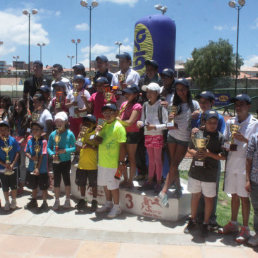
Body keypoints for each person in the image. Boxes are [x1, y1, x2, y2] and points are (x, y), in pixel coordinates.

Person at [219, 94, 258, 244]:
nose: (238, 107)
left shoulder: (254, 123)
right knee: (234, 195)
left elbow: (256, 147)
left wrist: (245, 140)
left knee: (244, 197)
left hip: (245, 166)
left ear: (248, 106)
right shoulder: (232, 122)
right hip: (232, 163)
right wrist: (228, 145)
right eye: (236, 104)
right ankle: (233, 223)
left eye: (241, 104)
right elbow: (226, 140)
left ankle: (245, 228)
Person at [184, 110, 226, 237]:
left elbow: (223, 156)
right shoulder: (198, 134)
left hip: (210, 173)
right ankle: (193, 220)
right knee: (195, 196)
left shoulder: (220, 137)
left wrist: (209, 154)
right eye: (209, 122)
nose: (212, 125)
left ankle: (205, 223)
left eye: (215, 122)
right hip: (196, 171)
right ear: (204, 122)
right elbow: (189, 149)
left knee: (208, 199)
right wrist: (195, 153)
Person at [159, 78, 200, 202]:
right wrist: (170, 117)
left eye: (182, 89)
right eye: (178, 90)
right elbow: (168, 122)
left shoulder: (194, 104)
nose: (180, 92)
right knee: (173, 164)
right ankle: (177, 187)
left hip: (184, 138)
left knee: (174, 164)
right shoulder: (173, 104)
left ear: (187, 89)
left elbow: (199, 114)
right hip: (172, 135)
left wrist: (197, 114)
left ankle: (164, 191)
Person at [192, 91, 226, 229]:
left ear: (212, 103)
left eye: (205, 102)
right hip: (199, 160)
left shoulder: (219, 118)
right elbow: (194, 136)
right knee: (198, 191)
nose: (202, 104)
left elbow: (220, 137)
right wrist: (194, 129)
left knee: (211, 192)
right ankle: (199, 216)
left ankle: (211, 218)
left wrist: (209, 152)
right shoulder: (198, 116)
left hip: (212, 160)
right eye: (200, 102)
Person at [95, 103, 126, 218]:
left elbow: (123, 146)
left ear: (116, 113)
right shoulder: (102, 125)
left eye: (110, 112)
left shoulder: (119, 127)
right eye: (105, 112)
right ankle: (108, 203)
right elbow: (97, 141)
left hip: (113, 163)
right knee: (104, 184)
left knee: (113, 186)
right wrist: (96, 132)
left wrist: (122, 162)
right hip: (102, 161)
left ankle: (117, 207)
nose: (107, 114)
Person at [137, 83, 168, 193]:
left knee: (158, 160)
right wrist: (140, 123)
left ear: (157, 93)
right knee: (150, 159)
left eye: (151, 92)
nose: (148, 94)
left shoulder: (161, 106)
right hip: (148, 135)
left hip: (158, 135)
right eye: (147, 92)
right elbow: (142, 119)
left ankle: (158, 182)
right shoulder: (145, 105)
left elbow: (167, 124)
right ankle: (150, 180)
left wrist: (154, 127)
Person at [47, 112, 76, 210]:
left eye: (61, 121)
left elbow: (75, 148)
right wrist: (52, 154)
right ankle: (57, 200)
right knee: (57, 181)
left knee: (67, 180)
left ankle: (67, 200)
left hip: (66, 160)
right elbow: (48, 147)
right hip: (55, 161)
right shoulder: (52, 134)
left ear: (66, 122)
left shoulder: (70, 134)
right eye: (57, 121)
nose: (59, 123)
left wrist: (65, 151)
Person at [118, 84, 142, 189]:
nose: (126, 95)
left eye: (129, 93)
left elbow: (130, 122)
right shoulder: (123, 104)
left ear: (136, 95)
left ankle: (130, 181)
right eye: (126, 93)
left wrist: (118, 120)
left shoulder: (137, 106)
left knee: (131, 158)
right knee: (121, 158)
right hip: (122, 133)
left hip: (132, 134)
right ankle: (124, 179)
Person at [75, 114, 100, 211]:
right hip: (82, 164)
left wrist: (90, 146)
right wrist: (81, 141)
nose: (85, 124)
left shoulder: (96, 132)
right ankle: (83, 199)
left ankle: (94, 200)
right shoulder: (82, 133)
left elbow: (98, 146)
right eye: (84, 122)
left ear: (93, 124)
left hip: (93, 165)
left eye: (88, 123)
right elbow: (77, 148)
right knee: (82, 184)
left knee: (93, 185)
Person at [25, 122, 49, 212]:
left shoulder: (43, 141)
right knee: (33, 186)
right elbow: (26, 151)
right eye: (33, 129)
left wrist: (37, 168)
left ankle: (44, 202)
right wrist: (31, 157)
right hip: (32, 167)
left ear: (41, 131)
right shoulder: (30, 140)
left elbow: (42, 156)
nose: (34, 131)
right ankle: (34, 200)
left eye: (37, 129)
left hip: (41, 169)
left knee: (43, 186)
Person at [9, 99, 31, 193]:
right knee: (13, 163)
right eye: (16, 106)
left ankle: (21, 184)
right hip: (13, 143)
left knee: (22, 164)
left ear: (23, 107)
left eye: (19, 106)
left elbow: (29, 130)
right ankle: (14, 184)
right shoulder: (12, 116)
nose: (17, 108)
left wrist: (24, 138)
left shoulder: (27, 117)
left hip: (22, 143)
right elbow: (10, 129)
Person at [0, 121, 20, 211]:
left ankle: (14, 200)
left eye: (5, 130)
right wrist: (4, 164)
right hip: (2, 168)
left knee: (13, 185)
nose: (3, 132)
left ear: (9, 131)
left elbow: (17, 152)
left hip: (13, 167)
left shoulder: (13, 140)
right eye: (1, 130)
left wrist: (12, 164)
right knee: (5, 186)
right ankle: (7, 201)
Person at [246, 132, 258, 246]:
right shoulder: (255, 137)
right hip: (255, 180)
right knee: (257, 210)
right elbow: (248, 159)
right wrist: (248, 180)